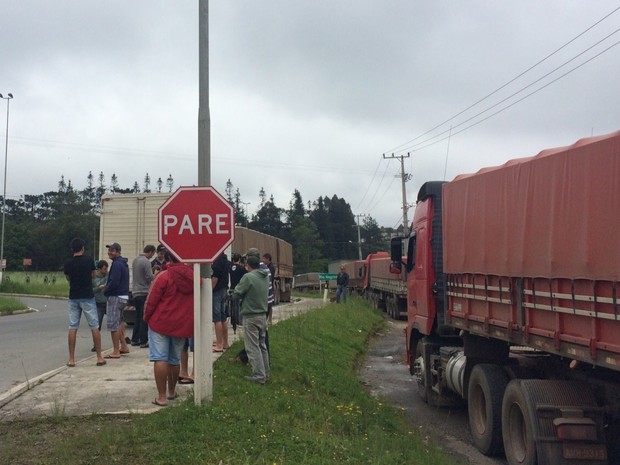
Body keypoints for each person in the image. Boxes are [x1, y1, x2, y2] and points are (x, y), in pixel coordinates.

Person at [144, 253, 194, 406]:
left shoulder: (163, 276)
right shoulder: (194, 278)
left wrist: (147, 317)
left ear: (169, 259)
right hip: (182, 325)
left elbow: (151, 300)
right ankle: (172, 392)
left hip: (160, 323)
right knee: (174, 359)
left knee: (160, 358)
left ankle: (161, 397)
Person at [63, 237, 106, 367]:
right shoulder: (88, 260)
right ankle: (99, 357)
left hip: (74, 296)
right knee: (94, 326)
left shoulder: (68, 262)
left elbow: (68, 278)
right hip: (87, 296)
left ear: (72, 249)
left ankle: (71, 359)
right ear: (82, 248)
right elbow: (93, 275)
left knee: (72, 327)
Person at [233, 253, 270, 384]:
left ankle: (259, 376)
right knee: (262, 345)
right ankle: (266, 372)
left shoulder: (248, 277)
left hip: (251, 315)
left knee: (252, 347)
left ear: (248, 266)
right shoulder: (265, 276)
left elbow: (237, 292)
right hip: (262, 315)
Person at [103, 242, 130, 359]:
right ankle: (124, 346)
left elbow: (114, 282)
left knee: (113, 325)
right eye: (109, 250)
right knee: (119, 323)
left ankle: (115, 351)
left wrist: (106, 290)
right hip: (124, 296)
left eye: (112, 251)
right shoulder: (123, 264)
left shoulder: (116, 264)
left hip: (116, 296)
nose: (110, 252)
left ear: (118, 252)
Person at [131, 244, 156, 348]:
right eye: (152, 254)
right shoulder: (146, 262)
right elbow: (149, 277)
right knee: (144, 317)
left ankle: (135, 339)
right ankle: (143, 340)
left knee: (137, 316)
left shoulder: (135, 260)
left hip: (135, 292)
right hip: (144, 292)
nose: (152, 256)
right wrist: (156, 274)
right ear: (150, 252)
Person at [211, 252, 230, 352]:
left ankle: (219, 344)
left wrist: (209, 291)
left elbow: (214, 278)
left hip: (217, 291)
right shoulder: (225, 260)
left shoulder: (217, 261)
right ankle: (225, 342)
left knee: (216, 318)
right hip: (224, 290)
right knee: (223, 317)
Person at [90, 259, 108, 351]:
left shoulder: (108, 276)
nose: (106, 271)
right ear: (99, 269)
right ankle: (95, 345)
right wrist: (98, 288)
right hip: (98, 303)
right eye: (104, 269)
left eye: (106, 269)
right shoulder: (94, 278)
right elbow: (90, 291)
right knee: (97, 325)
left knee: (118, 321)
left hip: (108, 302)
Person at [262, 252, 276, 324]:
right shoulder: (267, 266)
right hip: (269, 286)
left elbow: (271, 278)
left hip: (270, 287)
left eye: (264, 258)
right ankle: (268, 319)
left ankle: (270, 319)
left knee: (270, 305)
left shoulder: (271, 267)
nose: (263, 260)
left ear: (268, 259)